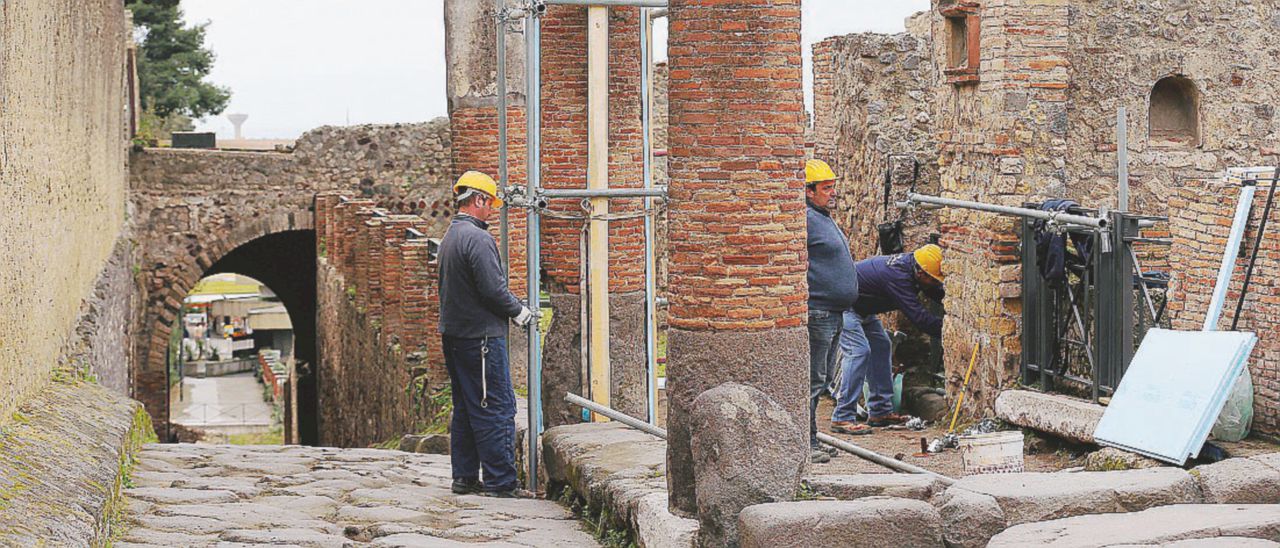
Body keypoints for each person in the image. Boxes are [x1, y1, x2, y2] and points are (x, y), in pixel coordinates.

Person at [438, 170, 538, 497]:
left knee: (467, 406)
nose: (492, 210)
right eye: (490, 203)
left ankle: (464, 477)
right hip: (480, 339)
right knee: (496, 405)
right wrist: (520, 312)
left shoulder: (450, 236)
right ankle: (501, 482)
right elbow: (493, 290)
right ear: (479, 199)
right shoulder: (478, 239)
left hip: (455, 336)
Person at [831, 245, 944, 435]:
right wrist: (947, 330)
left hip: (863, 308)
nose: (935, 283)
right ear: (922, 273)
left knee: (881, 346)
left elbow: (936, 292)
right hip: (845, 305)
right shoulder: (898, 277)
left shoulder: (914, 266)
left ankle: (879, 412)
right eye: (933, 279)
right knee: (858, 352)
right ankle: (842, 417)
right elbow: (918, 317)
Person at [804, 159, 859, 463]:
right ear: (809, 191)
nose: (832, 193)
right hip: (819, 312)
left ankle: (812, 438)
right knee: (813, 380)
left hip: (833, 313)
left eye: (832, 187)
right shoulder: (807, 219)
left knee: (822, 381)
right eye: (826, 188)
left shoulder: (823, 217)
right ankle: (806, 443)